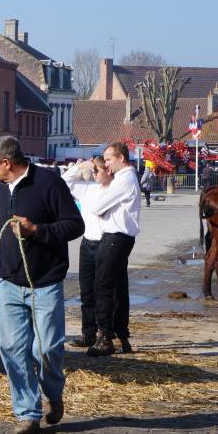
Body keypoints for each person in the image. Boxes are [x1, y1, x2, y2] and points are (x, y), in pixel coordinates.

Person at [0, 136, 84, 434]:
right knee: (12, 348)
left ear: (7, 163)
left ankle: (53, 394)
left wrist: (37, 231)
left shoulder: (49, 183)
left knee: (47, 350)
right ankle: (28, 414)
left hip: (45, 282)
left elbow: (75, 225)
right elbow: (4, 229)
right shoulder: (3, 190)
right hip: (9, 281)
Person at [83, 142, 141, 357]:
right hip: (120, 237)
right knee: (117, 286)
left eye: (108, 160)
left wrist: (103, 210)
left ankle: (105, 337)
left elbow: (96, 207)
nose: (106, 165)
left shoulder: (123, 180)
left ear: (121, 158)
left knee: (103, 286)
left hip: (116, 237)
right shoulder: (126, 179)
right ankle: (121, 335)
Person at [62, 157, 114, 349]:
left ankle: (105, 333)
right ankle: (88, 334)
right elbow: (65, 182)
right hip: (87, 243)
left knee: (103, 291)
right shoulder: (88, 189)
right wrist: (78, 167)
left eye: (97, 170)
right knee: (86, 291)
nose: (94, 174)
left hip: (106, 242)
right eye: (93, 171)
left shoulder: (116, 189)